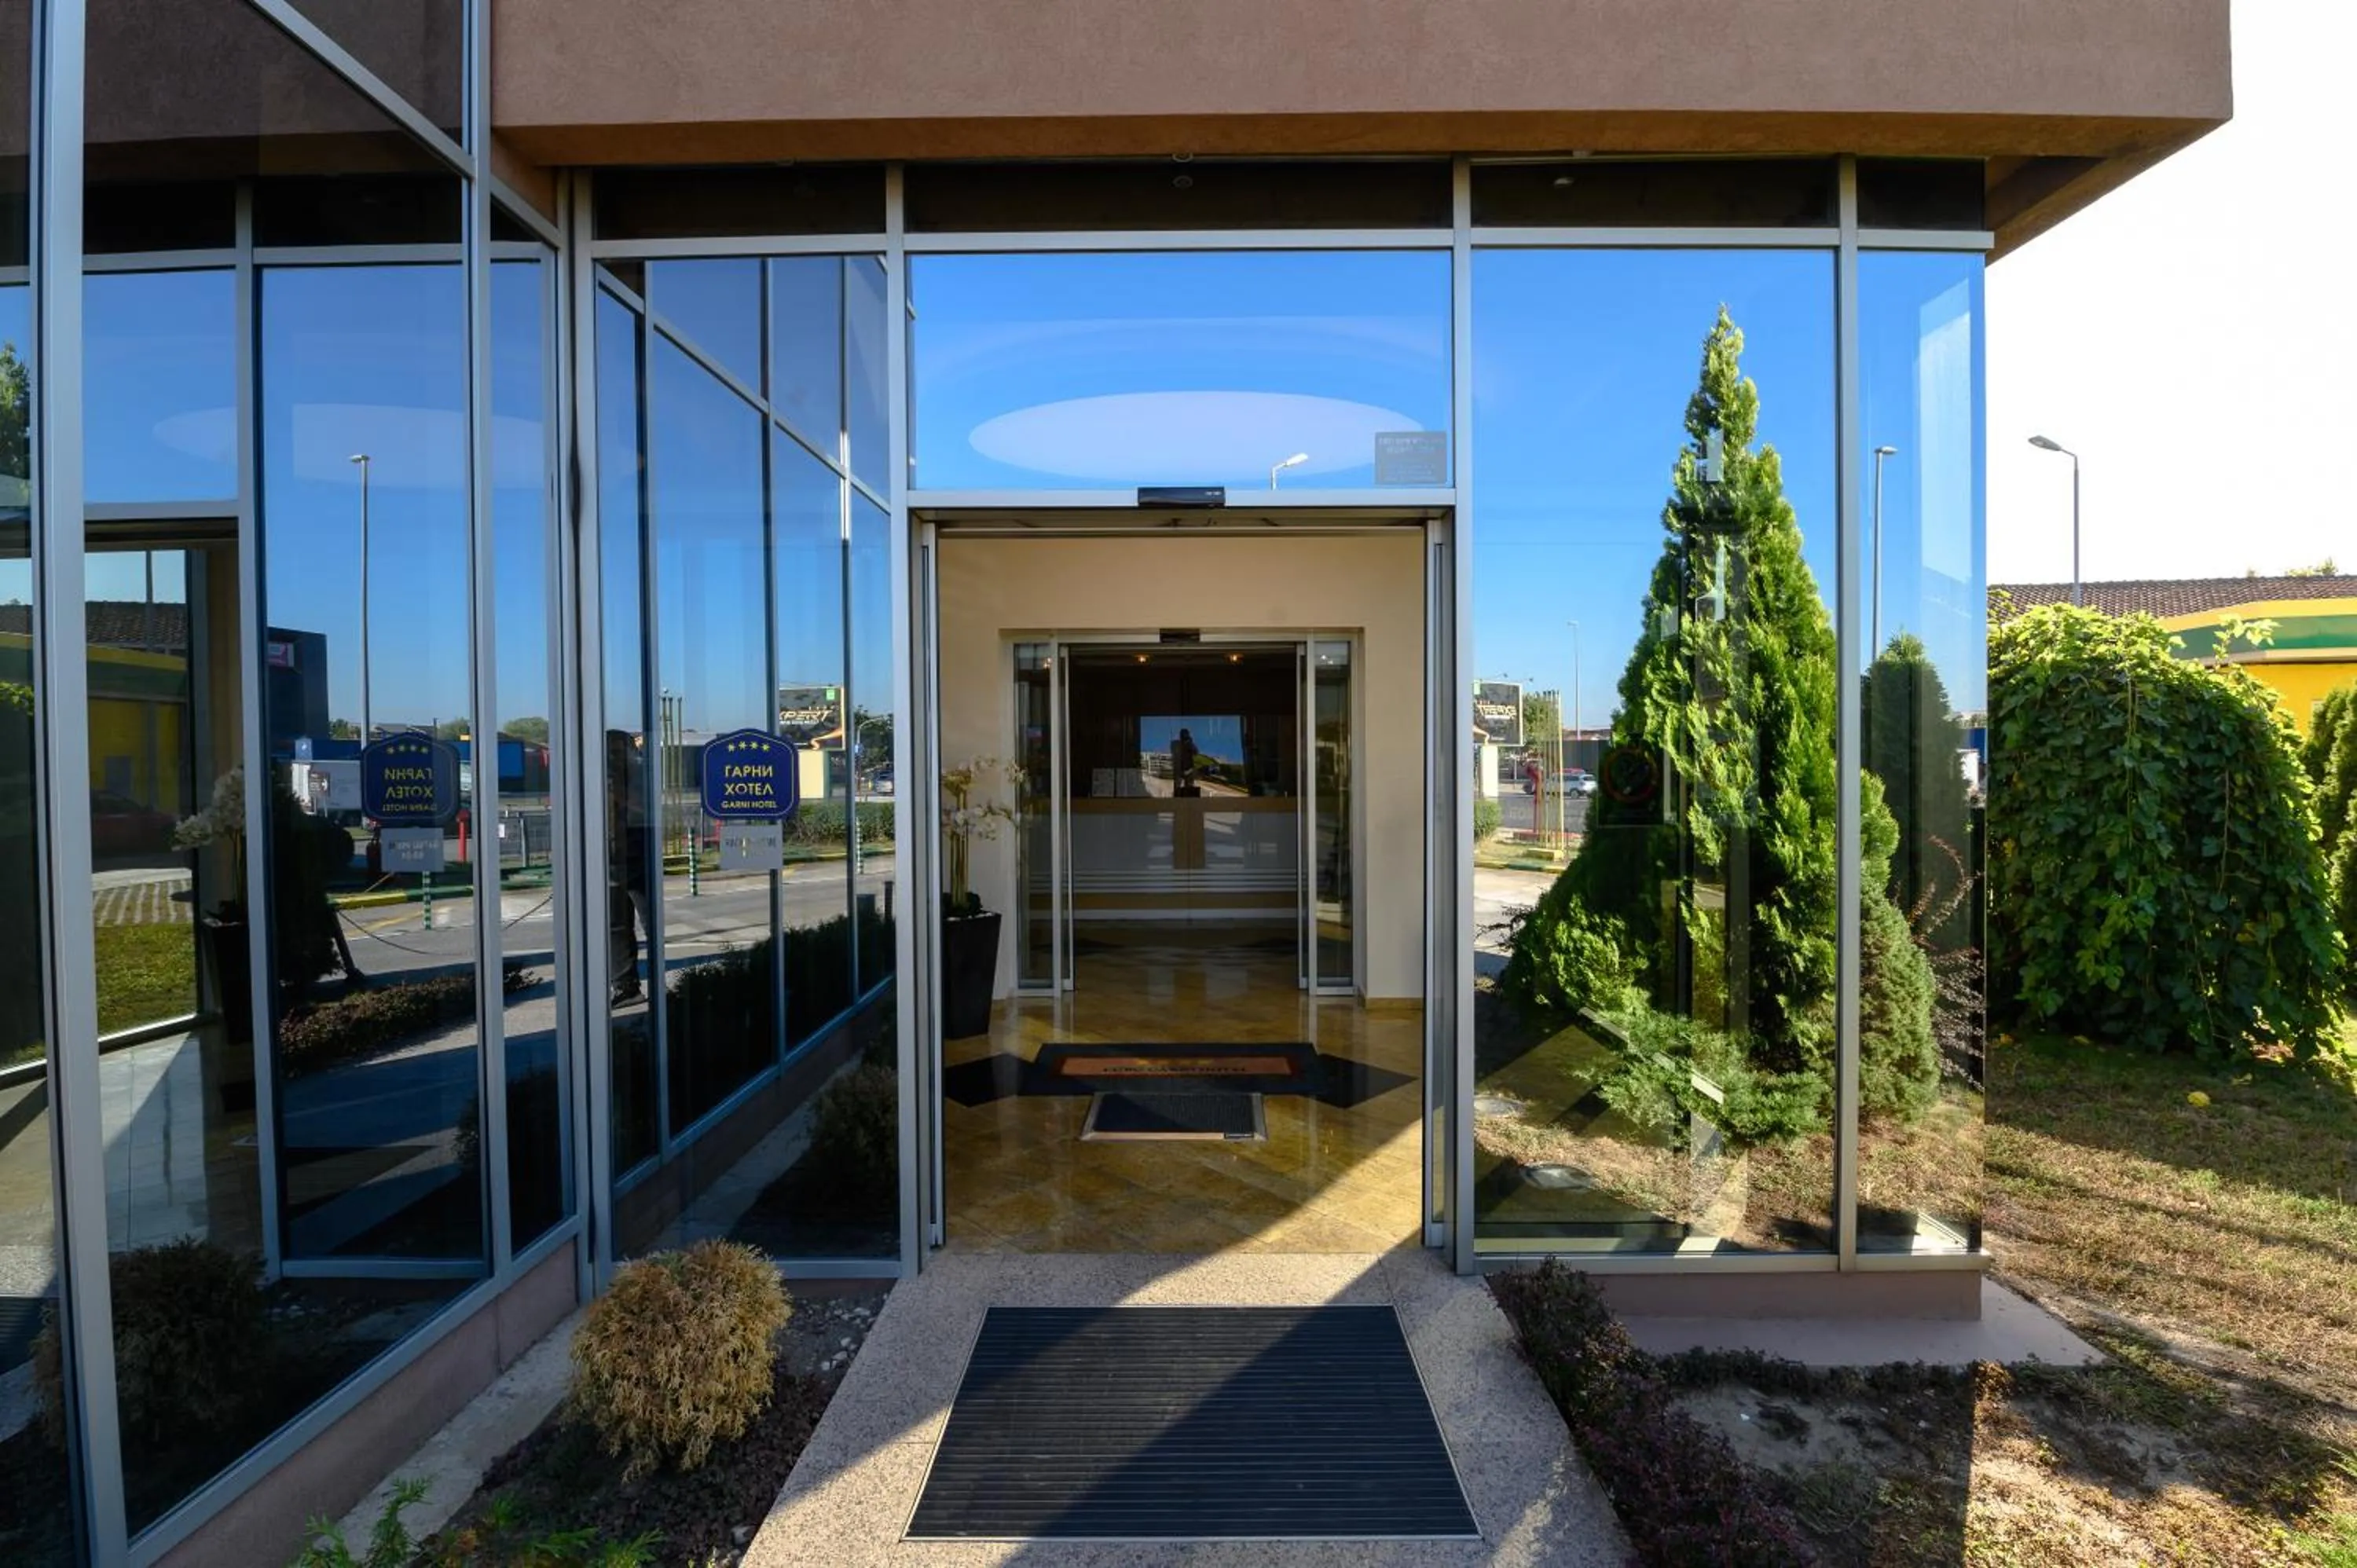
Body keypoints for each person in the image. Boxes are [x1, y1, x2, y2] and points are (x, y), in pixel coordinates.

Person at [605, 728, 653, 1005]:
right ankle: (625, 985)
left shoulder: (638, 775)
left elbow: (642, 809)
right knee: (615, 924)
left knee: (648, 921)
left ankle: (639, 983)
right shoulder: (601, 778)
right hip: (611, 857)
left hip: (635, 855)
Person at [1171, 726, 1199, 797]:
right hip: (1180, 769)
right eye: (1184, 735)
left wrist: (1189, 743)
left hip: (1188, 769)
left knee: (1189, 789)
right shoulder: (1176, 744)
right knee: (1177, 788)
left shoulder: (1189, 744)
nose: (1184, 737)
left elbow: (1196, 752)